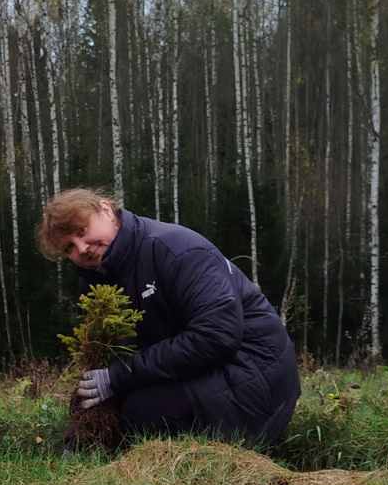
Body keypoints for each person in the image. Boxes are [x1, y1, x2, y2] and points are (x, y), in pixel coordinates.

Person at [37, 188, 300, 445]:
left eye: (82, 232)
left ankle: (229, 453)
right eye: (69, 247)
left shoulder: (176, 249)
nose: (81, 248)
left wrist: (119, 377)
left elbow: (217, 336)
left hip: (257, 373)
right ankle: (84, 457)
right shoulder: (101, 280)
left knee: (143, 413)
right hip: (208, 369)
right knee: (87, 401)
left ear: (106, 210)